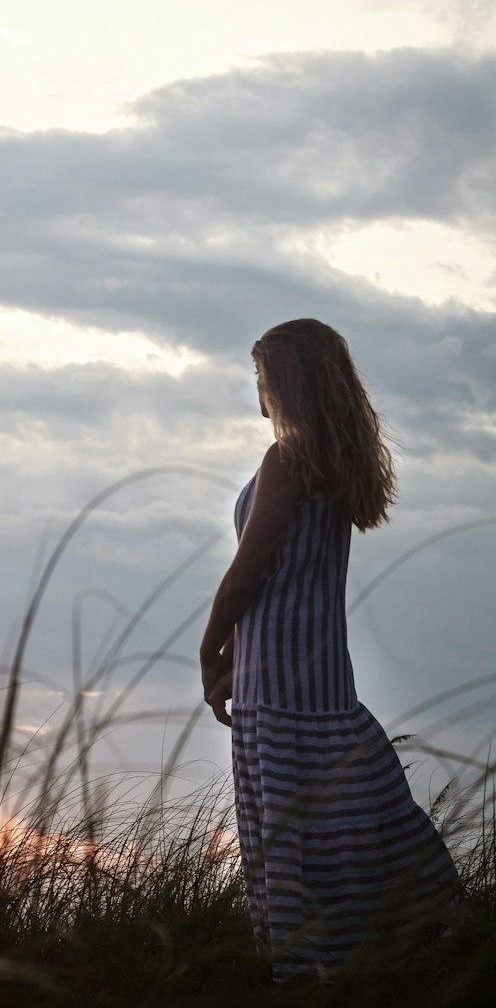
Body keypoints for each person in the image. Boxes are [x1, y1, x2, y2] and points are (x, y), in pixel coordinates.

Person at [199, 318, 462, 981]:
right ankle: (387, 958)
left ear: (285, 382)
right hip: (322, 688)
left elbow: (250, 569)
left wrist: (211, 651)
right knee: (352, 833)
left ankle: (310, 973)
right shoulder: (334, 463)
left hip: (276, 692)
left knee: (288, 853)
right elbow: (280, 572)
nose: (258, 397)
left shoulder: (288, 460)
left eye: (261, 380)